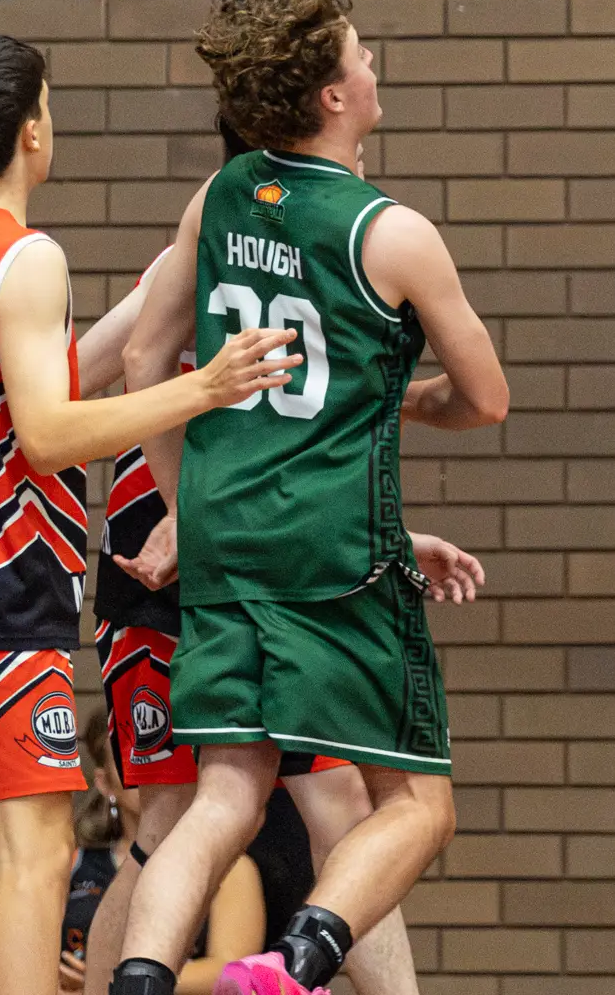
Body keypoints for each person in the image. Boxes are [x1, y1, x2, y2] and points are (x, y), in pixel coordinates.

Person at [0, 34, 300, 995]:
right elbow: (50, 434)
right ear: (31, 133)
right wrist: (205, 389)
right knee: (39, 855)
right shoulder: (25, 257)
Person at [110, 0, 513, 995]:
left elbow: (142, 362)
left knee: (225, 799)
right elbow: (487, 399)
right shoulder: (394, 235)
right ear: (334, 96)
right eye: (361, 54)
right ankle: (296, 963)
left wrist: (183, 501)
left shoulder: (220, 196)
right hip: (337, 557)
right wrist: (411, 404)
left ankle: (139, 983)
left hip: (227, 545)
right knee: (419, 808)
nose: (373, 66)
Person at [83, 249, 482, 995]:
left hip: (275, 557)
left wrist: (388, 541)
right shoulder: (196, 257)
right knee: (176, 816)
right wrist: (180, 493)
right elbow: (78, 382)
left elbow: (313, 443)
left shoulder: (316, 253)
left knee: (341, 808)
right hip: (171, 558)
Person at [64, 707, 265, 995]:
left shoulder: (233, 867)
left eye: (159, 756)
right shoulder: (75, 861)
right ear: (105, 782)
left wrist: (113, 976)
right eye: (134, 763)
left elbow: (232, 967)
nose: (148, 774)